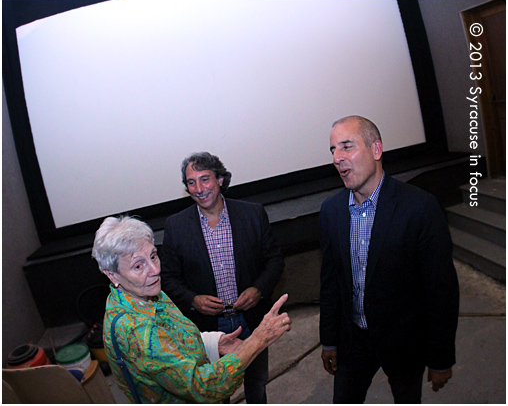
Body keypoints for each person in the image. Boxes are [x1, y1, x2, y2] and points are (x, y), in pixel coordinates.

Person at [319, 115, 460, 403]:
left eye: (347, 146)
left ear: (376, 150)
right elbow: (331, 281)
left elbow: (441, 290)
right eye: (333, 150)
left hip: (404, 342)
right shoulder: (331, 211)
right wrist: (330, 340)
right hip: (353, 340)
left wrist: (440, 358)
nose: (338, 158)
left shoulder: (420, 207)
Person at [91, 215, 291, 404]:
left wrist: (213, 343)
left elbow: (170, 340)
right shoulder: (136, 329)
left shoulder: (142, 293)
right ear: (112, 275)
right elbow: (202, 386)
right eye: (138, 266)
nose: (155, 270)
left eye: (153, 256)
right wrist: (259, 338)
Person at [161, 152, 285, 404]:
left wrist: (258, 290)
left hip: (251, 320)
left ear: (220, 180)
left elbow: (274, 260)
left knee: (256, 383)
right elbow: (167, 277)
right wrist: (192, 299)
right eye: (191, 182)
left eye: (205, 179)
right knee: (215, 392)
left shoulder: (252, 214)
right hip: (206, 329)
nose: (199, 189)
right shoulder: (176, 226)